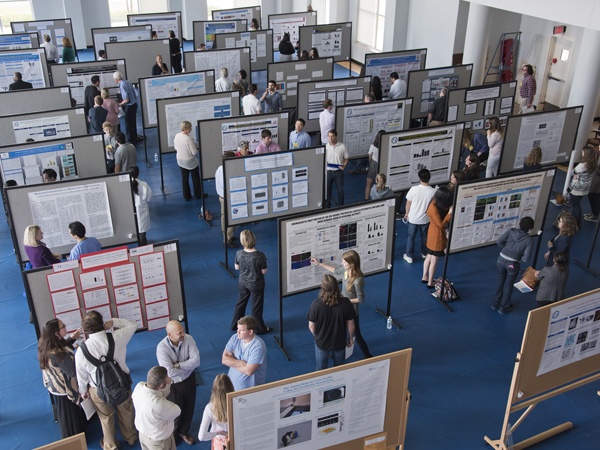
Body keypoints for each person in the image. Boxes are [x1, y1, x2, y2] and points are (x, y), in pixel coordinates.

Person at [76, 311, 138, 450]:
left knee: (105, 418)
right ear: (103, 323)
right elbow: (132, 325)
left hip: (98, 390)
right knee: (126, 411)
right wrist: (114, 322)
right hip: (122, 384)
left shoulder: (81, 351)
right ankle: (131, 438)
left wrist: (83, 391)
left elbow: (81, 375)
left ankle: (110, 445)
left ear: (85, 329)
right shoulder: (117, 337)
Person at [311, 251, 372, 359]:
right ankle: (338, 353)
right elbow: (335, 270)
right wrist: (319, 264)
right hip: (342, 306)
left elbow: (361, 299)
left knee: (356, 334)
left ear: (352, 264)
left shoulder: (358, 280)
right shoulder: (346, 269)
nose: (342, 263)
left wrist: (345, 301)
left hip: (350, 311)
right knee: (339, 332)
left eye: (344, 261)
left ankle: (367, 355)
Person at [37, 319, 85, 439]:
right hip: (64, 389)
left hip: (53, 384)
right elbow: (72, 371)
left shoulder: (47, 343)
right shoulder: (59, 355)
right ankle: (76, 437)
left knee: (66, 414)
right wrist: (80, 355)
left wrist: (71, 339)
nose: (65, 327)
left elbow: (63, 347)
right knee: (70, 416)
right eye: (63, 327)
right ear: (56, 333)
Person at [156, 321, 200, 446]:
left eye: (183, 331)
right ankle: (173, 435)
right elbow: (169, 372)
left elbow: (196, 362)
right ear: (170, 335)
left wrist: (178, 365)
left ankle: (184, 432)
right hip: (173, 384)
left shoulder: (188, 339)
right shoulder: (162, 348)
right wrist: (187, 365)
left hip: (189, 379)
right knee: (174, 411)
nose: (183, 334)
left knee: (189, 407)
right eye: (179, 333)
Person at [307, 274, 356, 370]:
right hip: (339, 341)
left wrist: (317, 335)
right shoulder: (346, 303)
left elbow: (311, 325)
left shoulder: (316, 305)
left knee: (321, 369)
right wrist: (350, 338)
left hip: (322, 342)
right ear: (337, 285)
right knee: (339, 369)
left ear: (322, 288)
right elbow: (350, 324)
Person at [491, 216, 535, 314]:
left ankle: (495, 304)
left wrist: (506, 249)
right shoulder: (529, 240)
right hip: (513, 264)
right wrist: (518, 257)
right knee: (509, 284)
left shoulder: (511, 231)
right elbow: (526, 258)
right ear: (530, 227)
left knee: (500, 280)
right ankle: (504, 307)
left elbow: (499, 241)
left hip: (501, 259)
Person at [230, 230, 271, 334]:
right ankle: (260, 328)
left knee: (240, 303)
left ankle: (235, 325)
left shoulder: (238, 253)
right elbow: (264, 271)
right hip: (256, 284)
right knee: (256, 307)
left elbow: (236, 267)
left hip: (243, 283)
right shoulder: (259, 255)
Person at [132, 366, 180, 450]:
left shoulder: (139, 386)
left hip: (143, 435)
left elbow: (158, 394)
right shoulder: (159, 404)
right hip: (159, 442)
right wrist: (168, 385)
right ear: (161, 385)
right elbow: (177, 411)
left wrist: (167, 384)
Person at [222, 316, 267, 391]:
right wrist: (242, 363)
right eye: (237, 329)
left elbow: (249, 371)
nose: (238, 332)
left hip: (248, 390)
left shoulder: (258, 347)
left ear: (250, 332)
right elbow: (224, 359)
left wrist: (233, 360)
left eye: (241, 330)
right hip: (231, 385)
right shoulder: (234, 338)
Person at [404, 169, 436, 264]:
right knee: (425, 236)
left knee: (411, 237)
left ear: (419, 179)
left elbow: (408, 203)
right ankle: (424, 253)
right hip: (425, 219)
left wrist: (407, 213)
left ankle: (409, 256)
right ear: (430, 177)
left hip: (413, 218)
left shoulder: (414, 189)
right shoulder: (434, 191)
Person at [423, 188, 453, 288]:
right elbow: (441, 225)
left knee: (429, 257)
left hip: (432, 234)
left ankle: (425, 276)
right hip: (437, 237)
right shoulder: (434, 208)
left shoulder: (434, 202)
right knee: (434, 261)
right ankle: (430, 282)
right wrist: (449, 214)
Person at [198, 374, 234, 448]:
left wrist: (217, 433)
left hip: (220, 443)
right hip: (235, 439)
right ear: (231, 387)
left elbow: (201, 437)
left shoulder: (210, 408)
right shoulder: (237, 403)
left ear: (214, 390)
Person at [569, 144, 598, 227]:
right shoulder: (593, 164)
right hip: (585, 188)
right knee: (577, 204)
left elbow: (572, 172)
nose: (582, 153)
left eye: (583, 151)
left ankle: (574, 223)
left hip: (577, 188)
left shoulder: (582, 165)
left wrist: (576, 175)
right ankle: (579, 222)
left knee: (575, 206)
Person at [174, 121, 202, 201]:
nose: (191, 129)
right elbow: (194, 152)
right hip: (190, 161)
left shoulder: (177, 136)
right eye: (190, 128)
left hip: (180, 160)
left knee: (184, 178)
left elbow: (176, 148)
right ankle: (198, 194)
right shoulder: (189, 139)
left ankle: (187, 196)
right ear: (186, 129)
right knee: (195, 178)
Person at [215, 151, 238, 248]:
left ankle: (226, 235)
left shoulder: (219, 169)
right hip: (229, 199)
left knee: (224, 217)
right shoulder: (228, 171)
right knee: (233, 218)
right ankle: (227, 240)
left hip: (221, 197)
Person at [113, 71, 138, 147]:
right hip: (134, 105)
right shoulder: (127, 82)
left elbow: (126, 100)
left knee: (128, 125)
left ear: (116, 79)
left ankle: (130, 142)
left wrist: (120, 104)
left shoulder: (122, 85)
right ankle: (134, 138)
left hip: (129, 106)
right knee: (133, 123)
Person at [325, 129, 349, 208]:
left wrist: (344, 165)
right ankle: (327, 206)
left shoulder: (342, 146)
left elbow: (346, 158)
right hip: (328, 172)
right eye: (329, 136)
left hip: (338, 172)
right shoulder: (326, 147)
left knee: (340, 191)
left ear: (336, 136)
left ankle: (340, 206)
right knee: (327, 191)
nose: (330, 138)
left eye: (332, 136)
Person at [130, 165, 152, 246]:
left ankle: (142, 242)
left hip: (132, 211)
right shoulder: (144, 184)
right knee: (142, 231)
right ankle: (142, 246)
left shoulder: (127, 185)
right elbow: (149, 198)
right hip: (142, 210)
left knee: (136, 229)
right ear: (138, 173)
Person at [364, 130, 384, 200]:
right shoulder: (385, 145)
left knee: (369, 184)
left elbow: (370, 156)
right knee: (379, 184)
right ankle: (377, 199)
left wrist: (370, 164)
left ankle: (366, 199)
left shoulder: (373, 146)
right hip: (381, 164)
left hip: (373, 164)